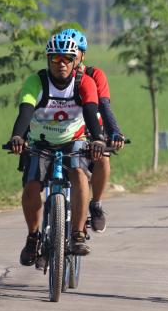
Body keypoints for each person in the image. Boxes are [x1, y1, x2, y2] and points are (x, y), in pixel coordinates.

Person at [8, 31, 107, 266]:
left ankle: (78, 234)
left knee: (80, 176)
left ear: (75, 61)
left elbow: (92, 112)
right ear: (48, 59)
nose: (61, 64)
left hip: (74, 140)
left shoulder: (85, 82)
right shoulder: (36, 81)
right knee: (32, 186)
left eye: (67, 59)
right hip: (41, 142)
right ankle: (33, 238)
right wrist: (17, 137)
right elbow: (25, 112)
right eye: (55, 59)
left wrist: (98, 140)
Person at [66, 28, 125, 233]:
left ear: (82, 54)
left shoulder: (94, 75)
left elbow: (104, 105)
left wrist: (114, 132)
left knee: (103, 157)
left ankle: (96, 204)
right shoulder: (54, 75)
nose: (69, 59)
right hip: (61, 129)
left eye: (75, 53)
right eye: (65, 55)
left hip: (91, 129)